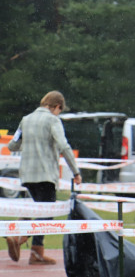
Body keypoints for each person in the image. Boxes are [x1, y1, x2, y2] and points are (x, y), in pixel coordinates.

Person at [6, 91, 82, 264]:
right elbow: (63, 145)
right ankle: (31, 248)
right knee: (47, 213)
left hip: (27, 173)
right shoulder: (53, 120)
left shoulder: (26, 119)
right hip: (45, 174)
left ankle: (17, 234)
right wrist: (76, 172)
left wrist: (31, 145)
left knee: (35, 208)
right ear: (56, 107)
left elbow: (12, 145)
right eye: (59, 110)